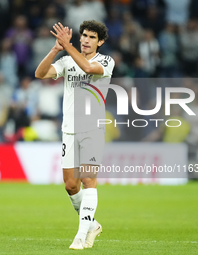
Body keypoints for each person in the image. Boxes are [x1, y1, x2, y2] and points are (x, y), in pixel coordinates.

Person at [35, 20, 114, 250]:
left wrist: (67, 45)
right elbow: (40, 74)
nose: (85, 40)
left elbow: (89, 69)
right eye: (84, 36)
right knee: (71, 185)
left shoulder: (106, 61)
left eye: (91, 37)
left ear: (100, 42)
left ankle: (80, 236)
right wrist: (56, 49)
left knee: (89, 180)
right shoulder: (68, 60)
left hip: (92, 129)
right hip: (68, 129)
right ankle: (92, 225)